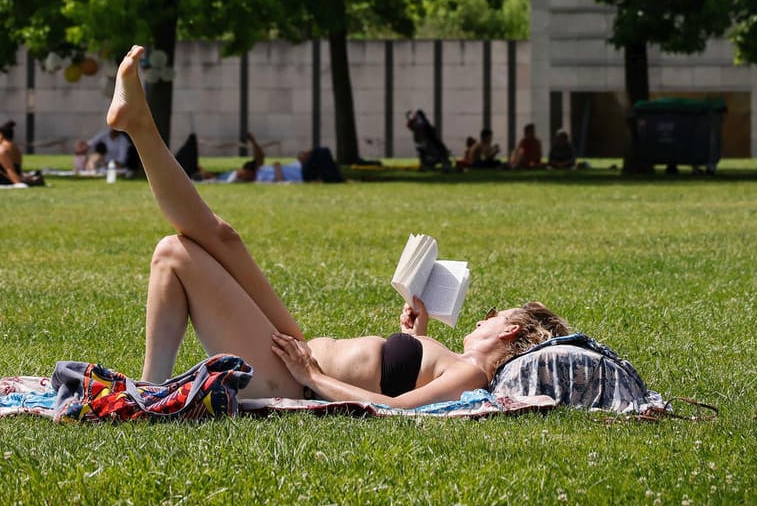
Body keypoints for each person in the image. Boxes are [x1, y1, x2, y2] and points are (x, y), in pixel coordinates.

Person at [107, 45, 571, 403]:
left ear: (510, 333)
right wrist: (416, 336)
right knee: (221, 238)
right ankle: (139, 124)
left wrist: (313, 377)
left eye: (495, 317)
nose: (486, 317)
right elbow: (398, 378)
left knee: (176, 252)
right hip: (295, 354)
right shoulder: (453, 362)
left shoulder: (473, 374)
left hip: (291, 382)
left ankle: (149, 393)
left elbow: (398, 410)